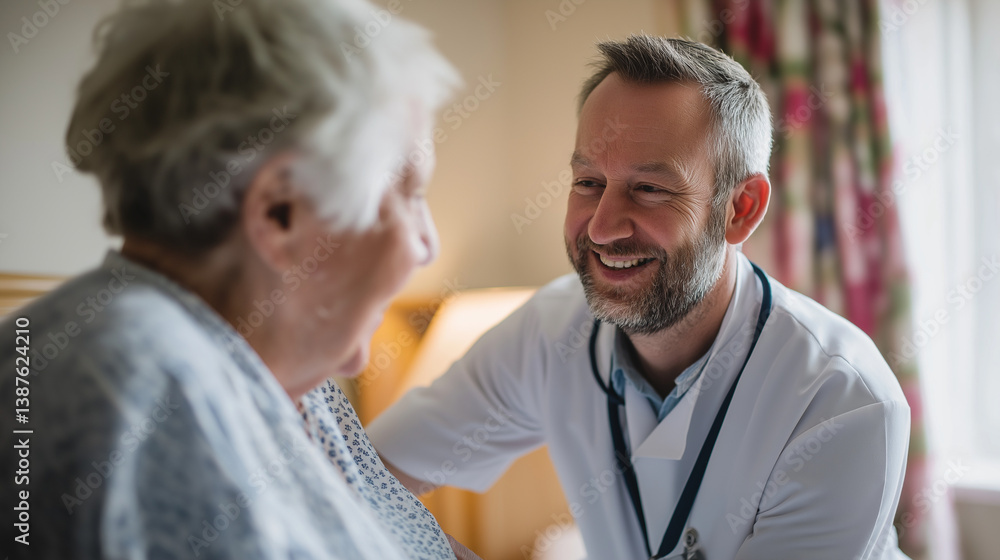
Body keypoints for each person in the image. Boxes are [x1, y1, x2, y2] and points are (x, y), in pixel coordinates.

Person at [368, 35, 911, 559]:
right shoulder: (550, 331)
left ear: (740, 208)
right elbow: (361, 474)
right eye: (588, 182)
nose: (602, 228)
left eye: (649, 189)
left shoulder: (842, 401)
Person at [0, 0, 481, 558]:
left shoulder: (289, 381)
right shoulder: (133, 376)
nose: (429, 244)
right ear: (281, 212)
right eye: (411, 195)